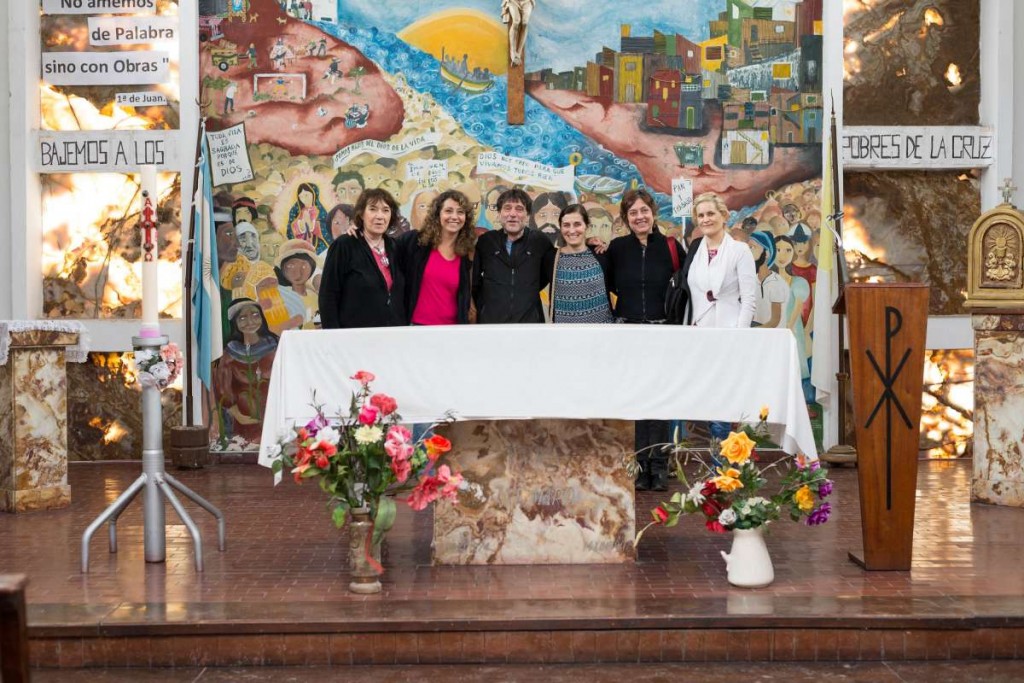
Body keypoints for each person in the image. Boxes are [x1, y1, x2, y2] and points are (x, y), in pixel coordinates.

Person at [605, 188, 684, 491]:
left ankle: (660, 466)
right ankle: (640, 466)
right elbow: (608, 281)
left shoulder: (671, 246)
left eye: (644, 211)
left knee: (660, 400)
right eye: (633, 213)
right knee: (636, 399)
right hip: (627, 330)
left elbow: (684, 285)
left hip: (662, 331)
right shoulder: (617, 248)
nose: (639, 217)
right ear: (626, 219)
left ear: (654, 214)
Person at [683, 192, 758, 449]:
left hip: (727, 335)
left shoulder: (740, 251)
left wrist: (738, 335)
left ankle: (723, 469)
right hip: (699, 335)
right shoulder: (695, 251)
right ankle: (709, 465)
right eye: (701, 215)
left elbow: (749, 299)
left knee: (723, 403)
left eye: (710, 214)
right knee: (702, 400)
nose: (706, 219)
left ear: (724, 216)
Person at [318, 188, 406, 328]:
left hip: (393, 334)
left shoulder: (396, 247)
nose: (380, 216)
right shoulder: (344, 245)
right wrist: (333, 336)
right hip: (355, 335)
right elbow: (328, 295)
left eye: (385, 210)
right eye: (373, 209)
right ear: (362, 214)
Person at [472, 188, 555, 324]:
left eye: (519, 209)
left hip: (529, 324)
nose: (512, 214)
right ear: (499, 214)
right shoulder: (486, 241)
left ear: (528, 215)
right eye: (507, 208)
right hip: (491, 325)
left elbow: (552, 270)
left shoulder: (540, 241)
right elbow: (474, 281)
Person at [398, 189, 476, 326]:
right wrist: (360, 230)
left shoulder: (467, 253)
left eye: (460, 212)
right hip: (416, 328)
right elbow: (383, 248)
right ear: (437, 214)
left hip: (452, 332)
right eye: (448, 211)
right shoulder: (415, 242)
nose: (454, 216)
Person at [214, 299, 279, 444]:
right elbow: (222, 390)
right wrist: (238, 415)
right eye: (242, 318)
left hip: (274, 419)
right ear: (235, 323)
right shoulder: (229, 354)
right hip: (244, 424)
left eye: (255, 315)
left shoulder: (276, 347)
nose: (250, 321)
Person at [543, 204, 613, 324]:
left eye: (577, 224)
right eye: (566, 225)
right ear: (560, 228)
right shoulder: (551, 258)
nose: (572, 230)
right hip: (565, 336)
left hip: (601, 334)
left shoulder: (601, 253)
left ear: (587, 226)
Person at [275, 239, 320, 329]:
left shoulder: (314, 296)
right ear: (283, 269)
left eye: (304, 266)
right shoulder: (281, 298)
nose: (297, 273)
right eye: (290, 266)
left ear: (312, 267)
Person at [286, 182, 331, 254]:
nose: (304, 199)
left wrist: (312, 225)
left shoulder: (319, 211)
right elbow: (290, 228)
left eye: (306, 195)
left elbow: (325, 228)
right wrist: (300, 226)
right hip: (300, 243)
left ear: (314, 195)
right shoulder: (296, 211)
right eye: (301, 196)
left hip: (317, 244)